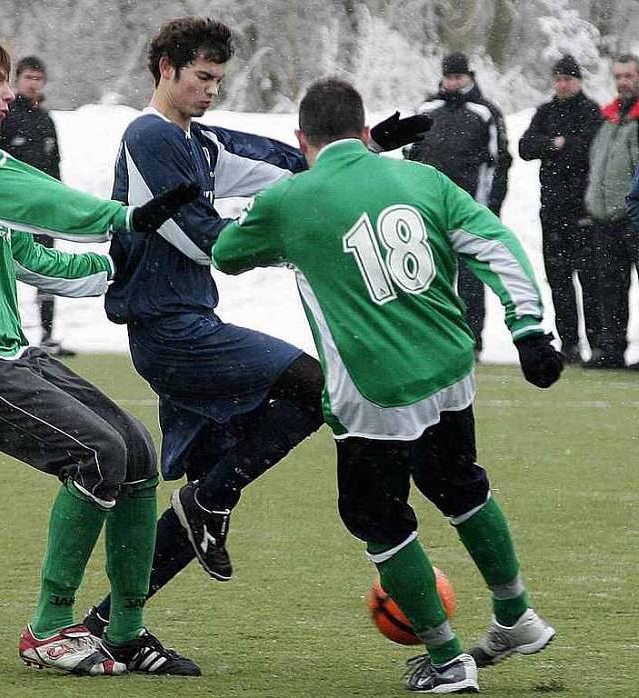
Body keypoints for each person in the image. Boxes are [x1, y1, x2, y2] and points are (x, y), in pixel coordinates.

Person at [211, 77, 560, 694]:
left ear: (301, 138)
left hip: (373, 388)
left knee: (375, 516)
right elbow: (497, 244)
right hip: (450, 369)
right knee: (459, 485)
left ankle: (449, 661)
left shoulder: (290, 199)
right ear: (364, 127)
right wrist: (528, 327)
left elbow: (228, 253)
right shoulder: (421, 178)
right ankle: (516, 615)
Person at [83, 17, 430, 635]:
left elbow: (293, 163)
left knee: (204, 494)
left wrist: (365, 143)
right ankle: (211, 499)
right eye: (202, 77)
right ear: (167, 70)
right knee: (310, 386)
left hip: (187, 323)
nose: (212, 89)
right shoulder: (149, 135)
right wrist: (283, 241)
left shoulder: (202, 142)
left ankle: (109, 627)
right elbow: (199, 239)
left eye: (218, 79)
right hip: (168, 331)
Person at [0, 33, 199, 677]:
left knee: (137, 453)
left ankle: (124, 631)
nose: (10, 94)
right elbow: (44, 199)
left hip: (4, 351)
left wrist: (123, 268)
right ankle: (48, 627)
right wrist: (126, 219)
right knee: (98, 453)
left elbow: (33, 258)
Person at [405, 52, 512, 359]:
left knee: (470, 280)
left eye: (458, 77)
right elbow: (410, 156)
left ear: (469, 76)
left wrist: (489, 207)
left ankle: (470, 341)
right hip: (427, 207)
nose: (453, 82)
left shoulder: (486, 112)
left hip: (469, 209)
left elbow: (498, 162)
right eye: (449, 77)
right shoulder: (427, 109)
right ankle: (429, 339)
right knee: (426, 276)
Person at [519, 55, 603, 364]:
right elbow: (525, 147)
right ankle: (569, 344)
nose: (563, 85)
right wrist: (556, 144)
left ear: (578, 81)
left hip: (583, 209)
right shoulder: (545, 112)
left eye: (568, 79)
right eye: (558, 79)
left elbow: (586, 150)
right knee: (559, 279)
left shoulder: (591, 111)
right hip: (552, 209)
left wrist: (557, 146)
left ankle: (597, 343)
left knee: (590, 279)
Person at [0, 55, 73, 357]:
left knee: (46, 270)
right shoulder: (6, 115)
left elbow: (55, 166)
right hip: (12, 210)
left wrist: (60, 202)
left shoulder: (46, 120)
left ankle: (48, 336)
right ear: (17, 80)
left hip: (43, 211)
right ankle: (4, 333)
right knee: (3, 268)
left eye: (38, 79)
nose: (33, 84)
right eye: (28, 78)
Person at [584, 54, 639, 369]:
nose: (623, 82)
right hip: (606, 217)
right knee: (610, 286)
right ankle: (611, 348)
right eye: (618, 76)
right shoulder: (609, 119)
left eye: (629, 76)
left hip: (633, 216)